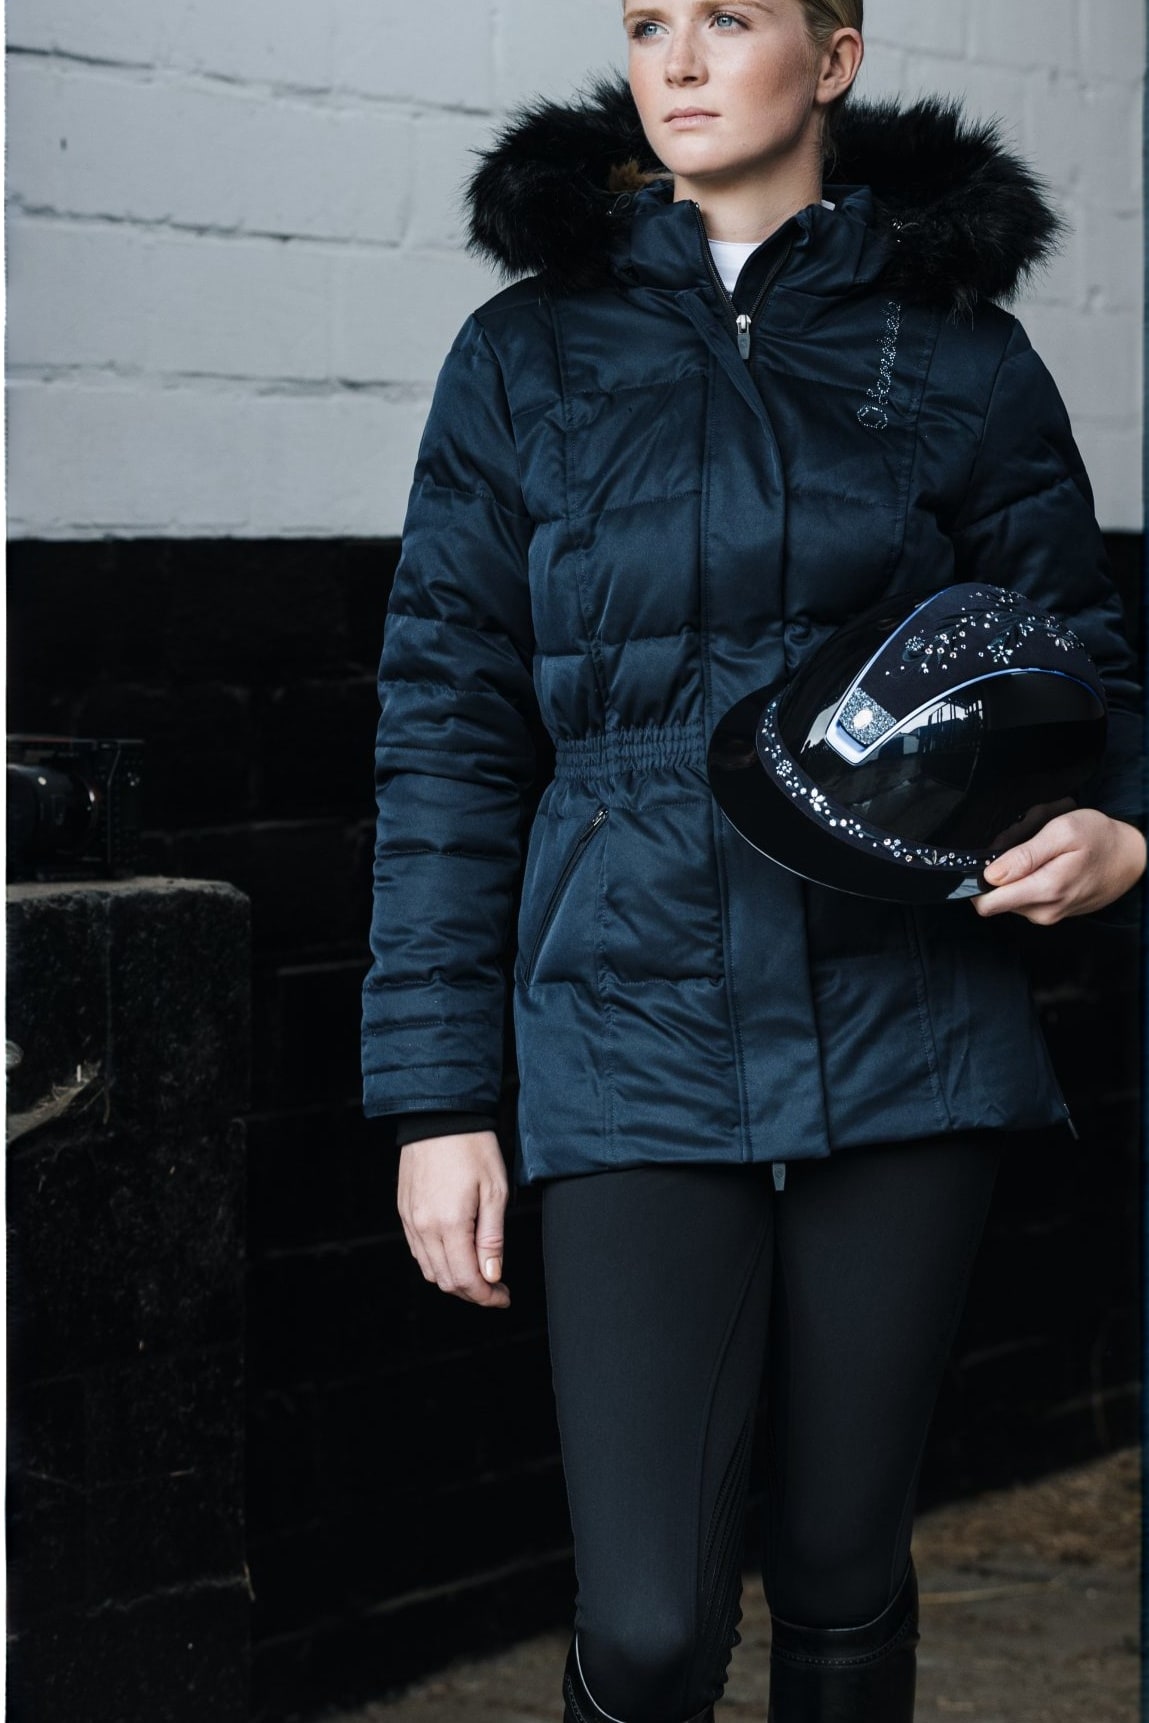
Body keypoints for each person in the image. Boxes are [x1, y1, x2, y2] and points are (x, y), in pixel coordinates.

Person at [361, 3, 1145, 1718]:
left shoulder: (958, 352)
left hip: (906, 1003)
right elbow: (444, 734)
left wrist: (1117, 828)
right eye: (648, 21)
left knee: (842, 1563)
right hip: (620, 1011)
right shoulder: (520, 354)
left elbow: (1077, 661)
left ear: (835, 57)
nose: (680, 60)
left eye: (729, 16)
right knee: (650, 1621)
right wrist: (436, 1100)